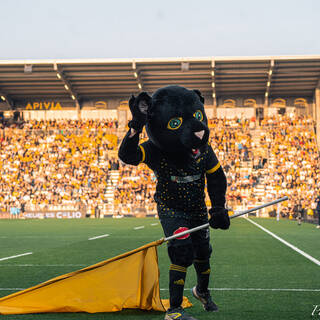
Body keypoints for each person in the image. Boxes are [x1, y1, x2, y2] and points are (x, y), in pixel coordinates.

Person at [118, 86, 229, 320]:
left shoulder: (204, 149)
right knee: (181, 251)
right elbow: (128, 156)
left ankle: (202, 291)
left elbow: (217, 177)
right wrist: (136, 126)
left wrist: (219, 207)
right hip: (171, 208)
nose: (198, 131)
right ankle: (174, 310)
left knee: (203, 253)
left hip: (197, 207)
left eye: (198, 118)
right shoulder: (155, 149)